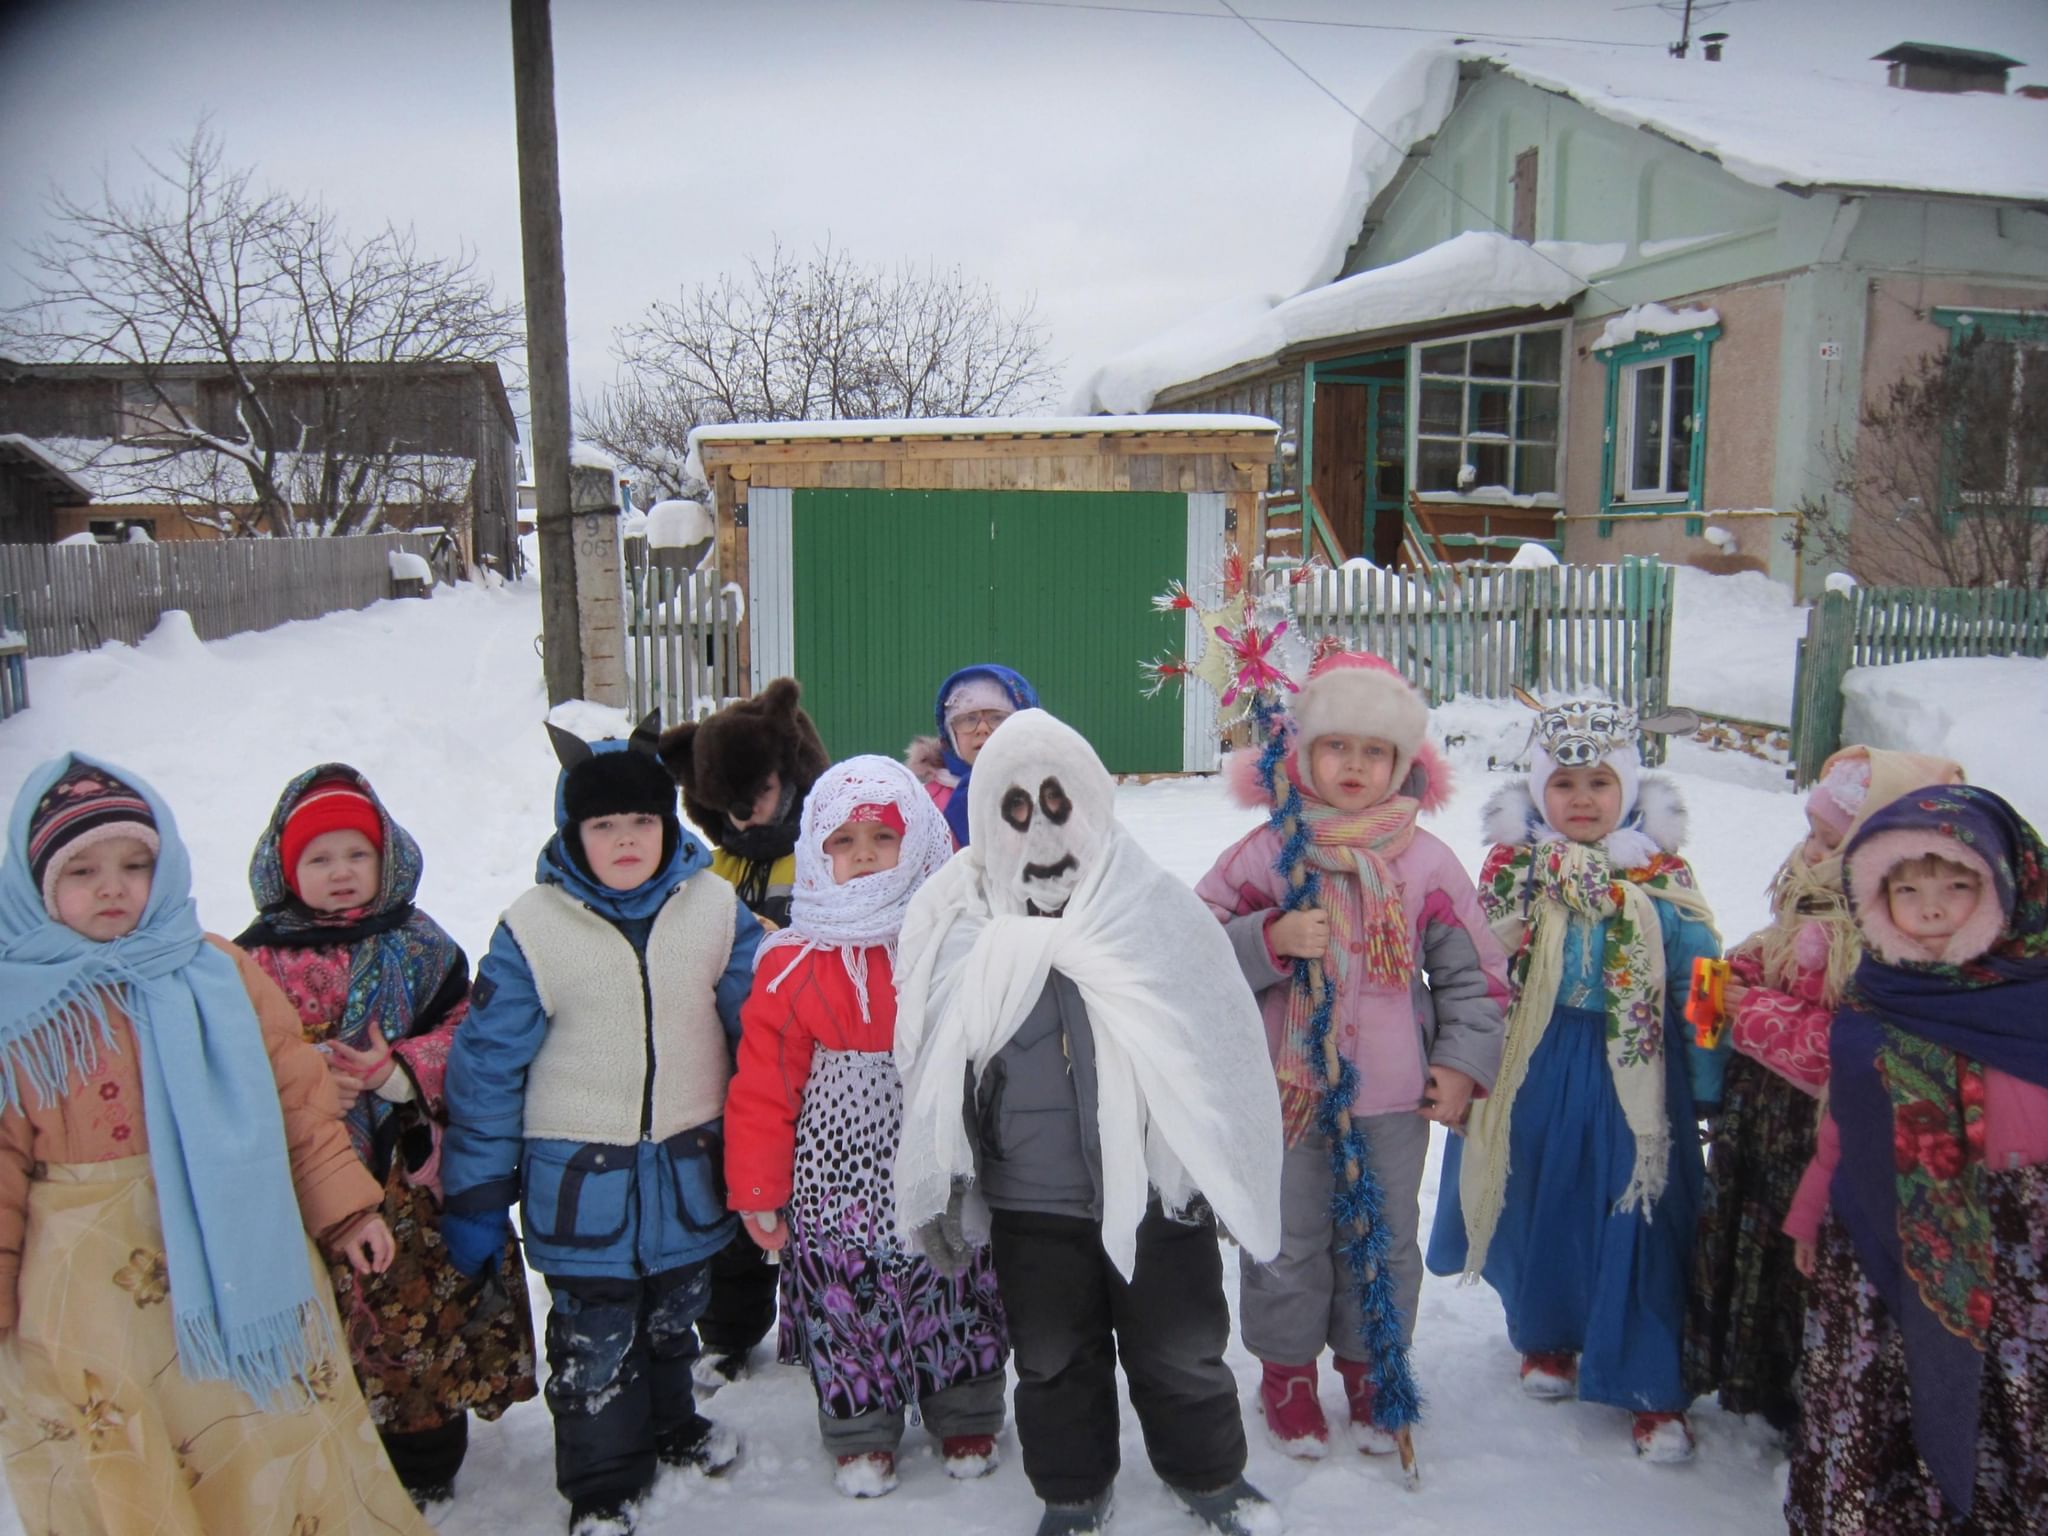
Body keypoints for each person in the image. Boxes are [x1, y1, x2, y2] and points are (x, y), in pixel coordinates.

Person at [0, 755, 429, 1535]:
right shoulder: (16, 1009)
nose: (112, 887)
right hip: (89, 1300)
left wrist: (344, 1214)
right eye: (82, 870)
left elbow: (298, 1105)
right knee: (131, 1457)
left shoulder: (216, 973)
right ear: (32, 887)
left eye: (136, 865)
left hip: (240, 1255)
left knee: (255, 1434)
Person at [893, 709, 1285, 1536]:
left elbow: (1214, 1036)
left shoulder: (1155, 911)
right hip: (1033, 1207)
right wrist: (942, 1176)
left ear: (1096, 805)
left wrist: (1218, 1165)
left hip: (1156, 1197)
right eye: (1016, 810)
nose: (1041, 833)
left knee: (1182, 1350)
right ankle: (1072, 1493)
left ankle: (1209, 1475)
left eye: (1059, 804)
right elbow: (934, 1072)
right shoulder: (962, 930)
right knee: (1052, 1361)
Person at [438, 719, 764, 1536]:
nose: (625, 840)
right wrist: (477, 1192)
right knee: (595, 1336)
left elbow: (760, 1024)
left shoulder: (715, 910)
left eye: (642, 823)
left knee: (672, 1314)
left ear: (669, 824)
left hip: (688, 1167)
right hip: (580, 1180)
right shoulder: (535, 929)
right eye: (604, 826)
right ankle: (602, 1482)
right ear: (572, 832)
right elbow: (487, 1068)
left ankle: (673, 1423)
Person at [1196, 650, 1508, 1460]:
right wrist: (1267, 940)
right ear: (1302, 754)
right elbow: (1190, 952)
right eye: (1337, 747)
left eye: (1376, 752)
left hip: (1394, 1098)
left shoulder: (1428, 863)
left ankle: (1374, 1368)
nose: (1356, 766)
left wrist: (1461, 1063)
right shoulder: (1268, 856)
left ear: (1404, 764)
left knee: (1381, 1238)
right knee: (1289, 1237)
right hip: (1287, 1094)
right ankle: (1288, 1372)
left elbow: (1476, 973)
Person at [1427, 694, 1723, 1462]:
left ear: (1627, 789)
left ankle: (1651, 1384)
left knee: (1639, 1217)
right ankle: (1547, 1335)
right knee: (1539, 1200)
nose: (1582, 799)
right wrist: (1462, 1058)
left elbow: (1704, 981)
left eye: (1599, 782)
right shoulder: (1512, 873)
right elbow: (1474, 971)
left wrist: (1711, 1075)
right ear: (1537, 792)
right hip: (1535, 1063)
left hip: (1637, 1071)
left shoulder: (1664, 875)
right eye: (1564, 784)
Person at [236, 764, 539, 1506]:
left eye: (356, 855)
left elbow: (470, 1032)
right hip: (307, 1180)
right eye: (319, 859)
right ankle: (332, 1446)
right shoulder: (255, 962)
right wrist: (309, 1074)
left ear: (386, 857)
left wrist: (398, 1072)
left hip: (414, 1176)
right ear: (285, 867)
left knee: (422, 1315)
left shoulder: (422, 947)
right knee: (330, 1319)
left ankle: (426, 1461)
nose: (340, 873)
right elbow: (232, 1062)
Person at [725, 755, 1009, 1497]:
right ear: (817, 856)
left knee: (953, 1278)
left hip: (935, 1145)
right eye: (843, 843)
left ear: (915, 839)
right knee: (845, 1295)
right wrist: (759, 1182)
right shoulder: (792, 961)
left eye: (881, 838)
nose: (862, 856)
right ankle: (860, 1424)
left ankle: (965, 1407)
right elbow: (763, 1084)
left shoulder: (955, 937)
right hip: (835, 1168)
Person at [1782, 784, 2047, 1535]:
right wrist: (1809, 1217)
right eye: (1908, 889)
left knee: (2009, 1390)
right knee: (1888, 1389)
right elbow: (1845, 1125)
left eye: (1957, 886)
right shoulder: (1876, 998)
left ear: (2007, 886)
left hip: (2020, 1247)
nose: (1931, 909)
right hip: (1884, 1234)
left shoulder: (2035, 998)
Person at [1683, 748, 1963, 1434]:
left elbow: (1839, 1051)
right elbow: (1715, 990)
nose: (1811, 848)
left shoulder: (1887, 938)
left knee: (1806, 1267)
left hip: (1821, 1136)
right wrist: (1711, 990)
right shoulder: (1802, 905)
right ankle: (1758, 1379)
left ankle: (1810, 1402)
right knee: (1760, 1250)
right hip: (1760, 1125)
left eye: (1831, 838)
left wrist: (1742, 1011)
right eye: (1811, 830)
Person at [656, 679, 829, 1387]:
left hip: (819, 1061)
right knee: (739, 1195)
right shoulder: (717, 864)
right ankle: (728, 1329)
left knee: (819, 1200)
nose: (744, 812)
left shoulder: (824, 847)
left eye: (754, 792)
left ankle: (826, 1321)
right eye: (725, 801)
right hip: (734, 1066)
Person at [904, 663, 1038, 848]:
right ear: (950, 733)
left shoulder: (1045, 793)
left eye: (997, 718)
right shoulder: (925, 803)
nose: (982, 729)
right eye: (968, 719)